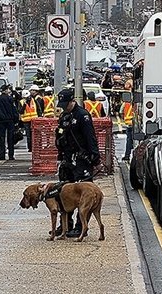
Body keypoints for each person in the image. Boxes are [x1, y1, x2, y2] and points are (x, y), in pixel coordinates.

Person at [54, 88, 100, 238]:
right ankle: (66, 225)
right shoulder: (64, 116)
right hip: (67, 159)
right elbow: (60, 136)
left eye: (66, 104)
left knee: (83, 195)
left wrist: (95, 157)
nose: (64, 107)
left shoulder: (83, 116)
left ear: (73, 101)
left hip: (81, 159)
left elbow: (90, 137)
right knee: (65, 194)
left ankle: (82, 227)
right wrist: (60, 155)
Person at [0, 84, 18, 160]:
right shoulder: (10, 99)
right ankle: (11, 155)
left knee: (2, 138)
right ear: (6, 90)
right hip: (10, 120)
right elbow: (14, 110)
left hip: (1, 121)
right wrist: (16, 120)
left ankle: (2, 155)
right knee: (10, 138)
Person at [121, 93, 135, 161]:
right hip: (135, 125)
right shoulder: (136, 104)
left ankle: (127, 155)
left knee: (129, 141)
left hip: (128, 125)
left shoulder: (125, 104)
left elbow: (120, 111)